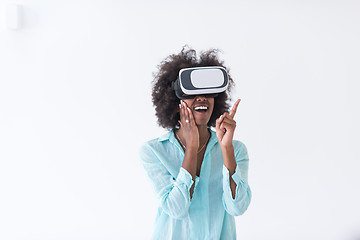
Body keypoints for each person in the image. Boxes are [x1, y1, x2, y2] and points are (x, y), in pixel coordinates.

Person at [139, 47, 251, 240]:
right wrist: (192, 148)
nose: (202, 98)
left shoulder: (236, 149)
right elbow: (176, 209)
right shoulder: (153, 151)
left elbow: (237, 207)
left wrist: (226, 150)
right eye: (191, 92)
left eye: (209, 92)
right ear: (175, 100)